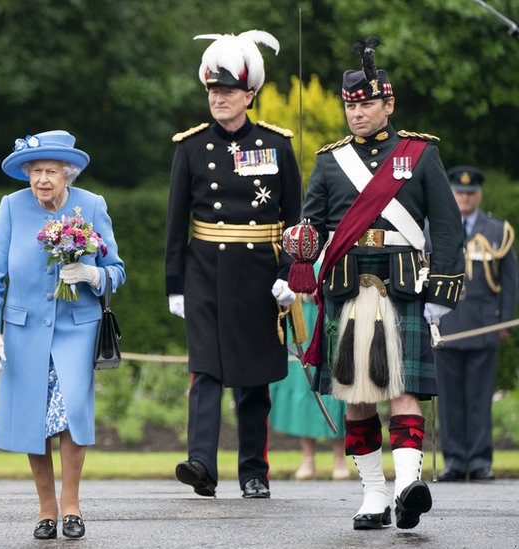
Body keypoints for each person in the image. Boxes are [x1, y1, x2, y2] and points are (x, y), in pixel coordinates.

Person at [301, 37, 464, 531]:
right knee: (356, 395)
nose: (357, 113)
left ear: (388, 103)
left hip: (404, 288)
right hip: (349, 290)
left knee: (404, 390)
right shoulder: (330, 162)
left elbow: (448, 227)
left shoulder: (420, 154)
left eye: (367, 103)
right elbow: (312, 230)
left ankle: (407, 488)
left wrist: (441, 293)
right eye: (350, 105)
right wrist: (297, 261)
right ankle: (373, 495)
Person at [164, 30, 301, 500]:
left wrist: (291, 276)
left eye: (227, 90)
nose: (218, 98)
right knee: (204, 371)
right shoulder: (189, 147)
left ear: (250, 95)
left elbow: (295, 220)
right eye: (212, 90)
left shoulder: (276, 146)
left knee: (253, 379)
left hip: (260, 275)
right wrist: (175, 285)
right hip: (204, 274)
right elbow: (175, 222)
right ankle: (201, 463)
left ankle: (253, 471)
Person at [0, 130, 125, 540]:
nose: (42, 179)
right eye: (36, 171)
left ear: (68, 175)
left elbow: (117, 269)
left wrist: (92, 273)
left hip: (77, 329)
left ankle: (72, 505)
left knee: (72, 412)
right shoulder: (11, 207)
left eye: (51, 172)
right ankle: (46, 509)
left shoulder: (91, 206)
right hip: (24, 329)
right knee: (34, 416)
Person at [434, 166, 517, 482]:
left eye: (470, 193)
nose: (465, 198)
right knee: (450, 399)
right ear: (452, 194)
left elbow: (510, 281)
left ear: (479, 195)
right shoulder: (436, 228)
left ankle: (480, 461)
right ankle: (454, 461)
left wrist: (505, 321)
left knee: (479, 398)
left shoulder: (497, 230)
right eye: (459, 192)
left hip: (484, 326)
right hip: (446, 324)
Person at [268, 259, 349, 481]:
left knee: (336, 386)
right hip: (301, 317)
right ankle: (308, 457)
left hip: (331, 315)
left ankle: (339, 457)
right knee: (302, 387)